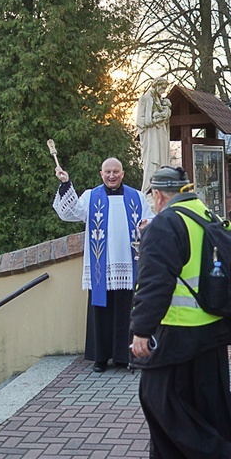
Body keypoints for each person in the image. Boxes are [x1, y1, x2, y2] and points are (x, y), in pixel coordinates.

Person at [129, 166, 231, 459]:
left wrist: (142, 330)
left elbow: (154, 283)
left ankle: (212, 458)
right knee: (207, 398)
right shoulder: (205, 213)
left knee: (156, 396)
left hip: (179, 328)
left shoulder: (164, 224)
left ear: (158, 195)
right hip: (215, 325)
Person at [53, 158, 154, 372]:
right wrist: (65, 184)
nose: (111, 175)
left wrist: (147, 225)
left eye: (115, 171)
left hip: (129, 263)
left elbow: (152, 219)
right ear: (101, 174)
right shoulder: (91, 196)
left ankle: (125, 357)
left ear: (122, 173)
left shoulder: (137, 196)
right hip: (101, 266)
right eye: (107, 172)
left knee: (128, 310)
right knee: (101, 311)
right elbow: (68, 213)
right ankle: (100, 358)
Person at [136, 77, 172, 194]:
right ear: (156, 86)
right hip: (151, 135)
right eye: (162, 88)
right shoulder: (145, 98)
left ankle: (162, 188)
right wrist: (153, 120)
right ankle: (149, 190)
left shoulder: (161, 101)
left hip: (161, 133)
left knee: (162, 161)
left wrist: (164, 116)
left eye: (165, 89)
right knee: (151, 162)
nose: (163, 91)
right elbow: (140, 121)